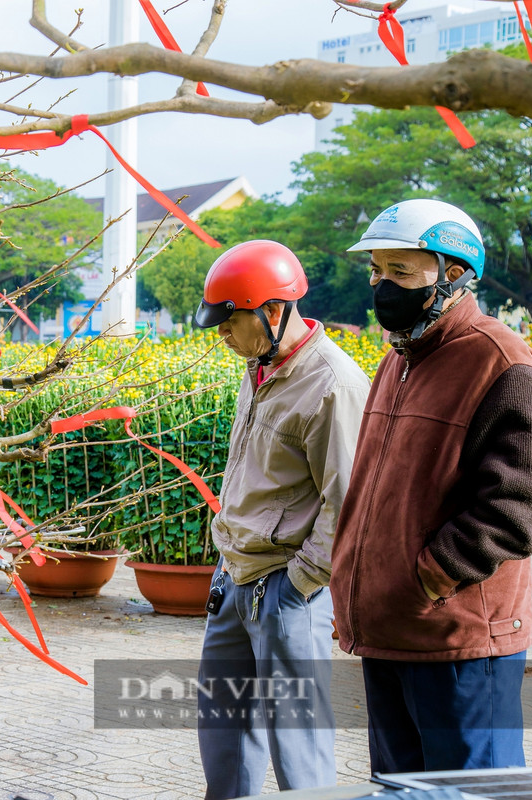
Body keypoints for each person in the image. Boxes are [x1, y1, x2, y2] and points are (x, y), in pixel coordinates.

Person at [330, 199, 532, 774]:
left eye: (400, 272)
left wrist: (432, 575)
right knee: (400, 789)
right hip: (391, 631)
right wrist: (359, 588)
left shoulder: (499, 360)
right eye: (376, 270)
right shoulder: (397, 360)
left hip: (459, 640)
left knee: (472, 789)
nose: (382, 285)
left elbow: (520, 505)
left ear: (452, 274)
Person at [193, 240, 370, 799]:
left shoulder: (334, 386)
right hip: (234, 577)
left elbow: (349, 503)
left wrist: (297, 586)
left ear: (273, 311)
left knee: (298, 749)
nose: (222, 333)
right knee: (223, 737)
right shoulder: (260, 365)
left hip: (286, 589)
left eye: (230, 321)